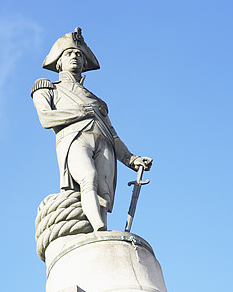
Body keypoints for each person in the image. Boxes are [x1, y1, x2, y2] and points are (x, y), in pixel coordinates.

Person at [31, 28, 152, 232]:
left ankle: (101, 231)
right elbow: (46, 118)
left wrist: (131, 159)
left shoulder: (98, 102)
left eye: (79, 54)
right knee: (88, 177)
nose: (75, 57)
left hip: (104, 142)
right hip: (74, 138)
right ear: (58, 61)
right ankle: (98, 229)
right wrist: (80, 112)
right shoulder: (48, 87)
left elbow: (114, 136)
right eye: (69, 53)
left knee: (103, 194)